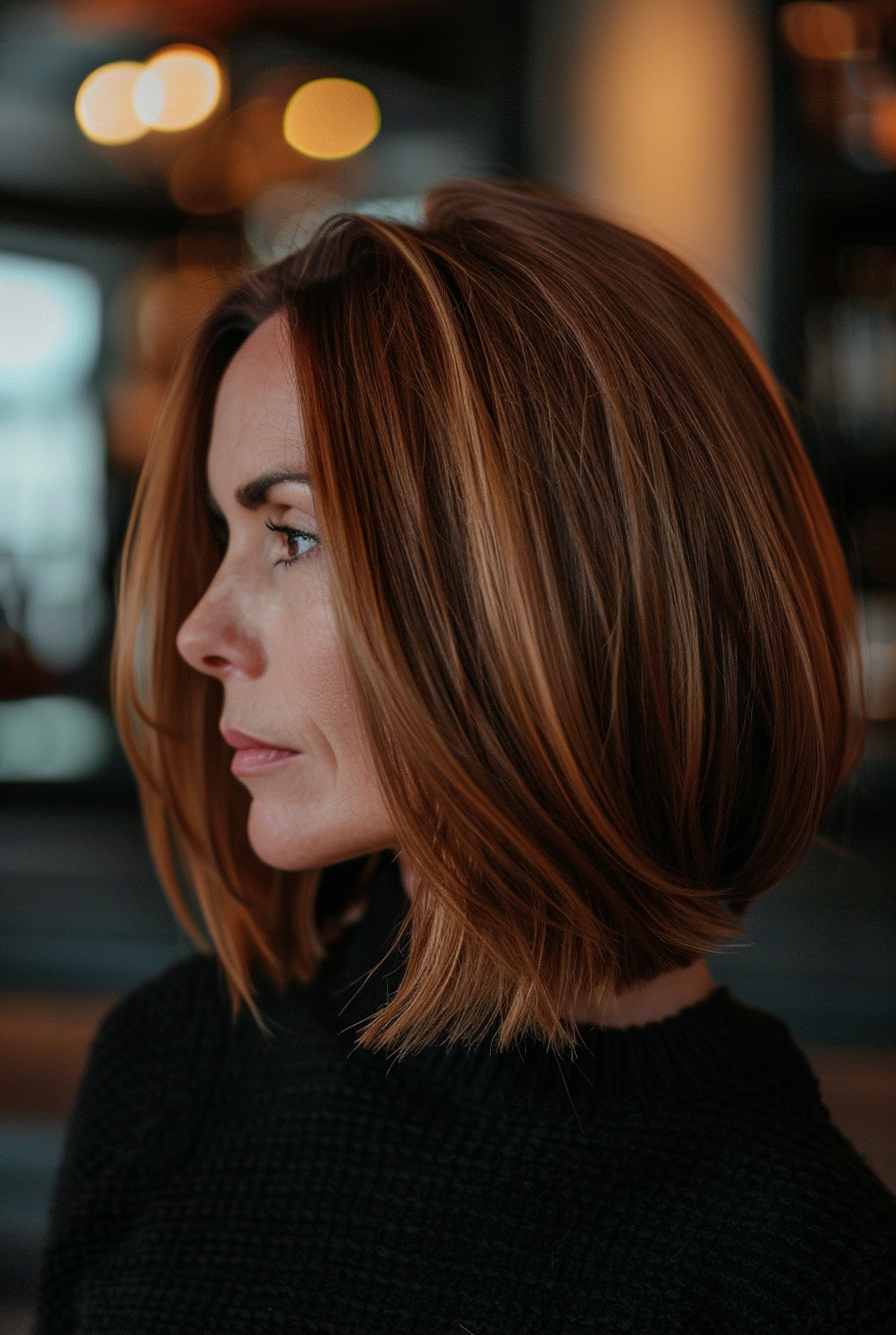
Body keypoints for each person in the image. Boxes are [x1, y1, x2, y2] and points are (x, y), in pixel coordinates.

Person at [36, 181, 895, 1333]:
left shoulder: (799, 1264)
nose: (199, 631)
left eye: (290, 534)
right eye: (223, 533)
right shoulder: (172, 1064)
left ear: (550, 585)